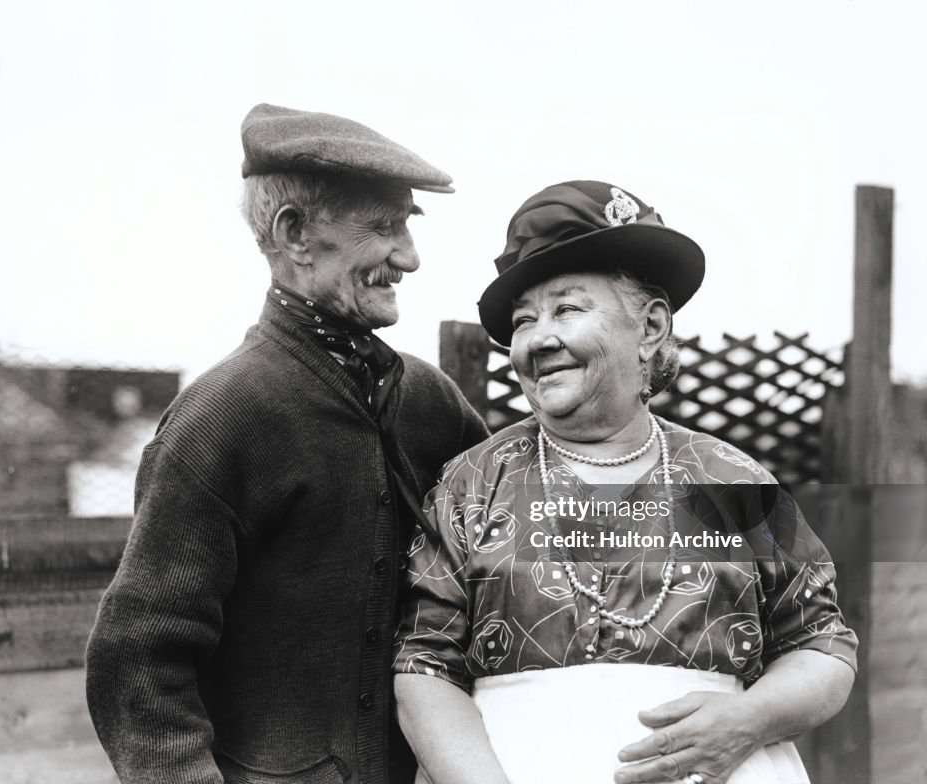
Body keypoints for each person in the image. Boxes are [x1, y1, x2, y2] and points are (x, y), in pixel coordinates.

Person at [392, 180, 857, 784]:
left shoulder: (731, 482)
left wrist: (749, 719)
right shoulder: (472, 485)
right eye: (523, 320)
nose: (538, 339)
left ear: (652, 326)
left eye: (567, 308)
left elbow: (822, 645)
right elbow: (424, 667)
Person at [86, 103, 489, 784]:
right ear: (295, 233)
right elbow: (139, 663)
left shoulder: (428, 401)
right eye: (385, 227)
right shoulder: (221, 418)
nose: (409, 258)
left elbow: (510, 564)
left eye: (407, 227)